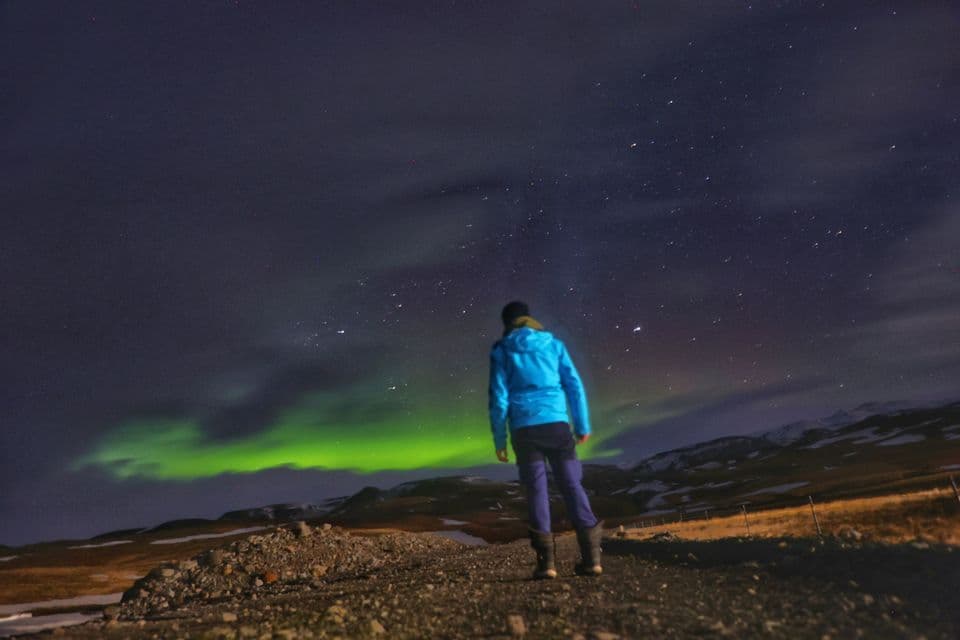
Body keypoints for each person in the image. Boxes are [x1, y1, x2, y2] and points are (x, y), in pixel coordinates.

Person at [488, 300, 602, 579]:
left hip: (524, 429)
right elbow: (574, 384)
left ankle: (546, 564)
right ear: (529, 318)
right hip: (557, 425)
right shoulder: (554, 345)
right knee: (572, 485)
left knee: (537, 491)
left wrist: (500, 439)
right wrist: (582, 424)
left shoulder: (502, 350)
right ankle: (592, 559)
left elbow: (498, 398)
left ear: (507, 323)